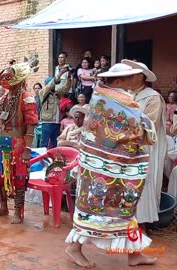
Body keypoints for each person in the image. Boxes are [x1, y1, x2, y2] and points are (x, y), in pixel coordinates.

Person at [65, 63, 157, 267]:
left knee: (126, 207)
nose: (135, 80)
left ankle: (134, 254)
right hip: (106, 166)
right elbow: (129, 129)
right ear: (118, 81)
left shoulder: (106, 97)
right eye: (131, 77)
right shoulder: (113, 100)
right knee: (96, 210)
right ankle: (74, 247)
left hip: (116, 164)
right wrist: (143, 129)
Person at [0, 54, 39, 224]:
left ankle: (19, 212)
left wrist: (27, 149)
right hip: (2, 143)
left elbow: (31, 125)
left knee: (18, 178)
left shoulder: (27, 98)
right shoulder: (3, 99)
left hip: (18, 144)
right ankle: (3, 207)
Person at [122, 59, 166, 228]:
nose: (127, 78)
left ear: (140, 77)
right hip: (126, 147)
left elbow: (150, 123)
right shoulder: (126, 96)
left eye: (130, 75)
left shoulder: (153, 97)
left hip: (144, 149)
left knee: (143, 184)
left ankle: (142, 227)